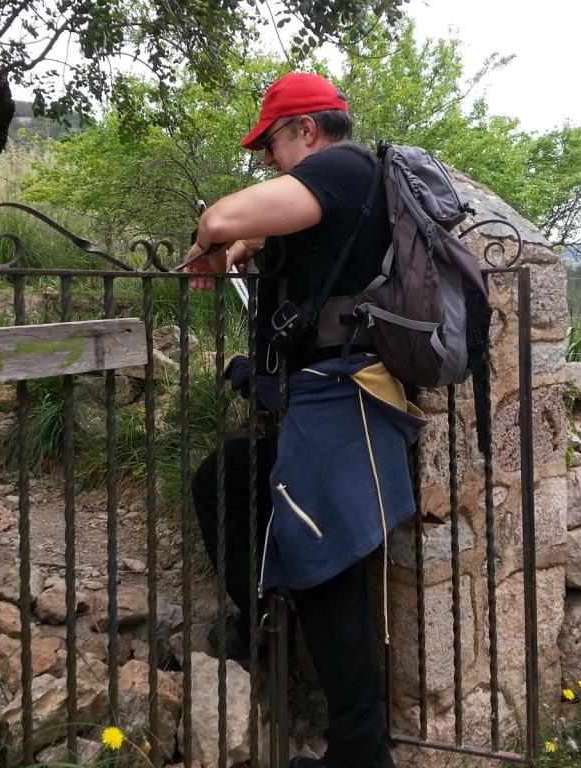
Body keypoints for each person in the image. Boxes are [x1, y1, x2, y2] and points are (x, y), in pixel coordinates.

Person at [186, 72, 426, 768]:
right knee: (224, 486)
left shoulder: (344, 167)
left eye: (271, 142)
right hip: (317, 398)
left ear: (308, 131)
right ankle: (263, 619)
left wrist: (218, 236)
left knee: (329, 572)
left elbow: (223, 216)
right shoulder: (336, 189)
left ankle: (360, 752)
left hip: (342, 398)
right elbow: (308, 250)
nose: (266, 158)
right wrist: (251, 250)